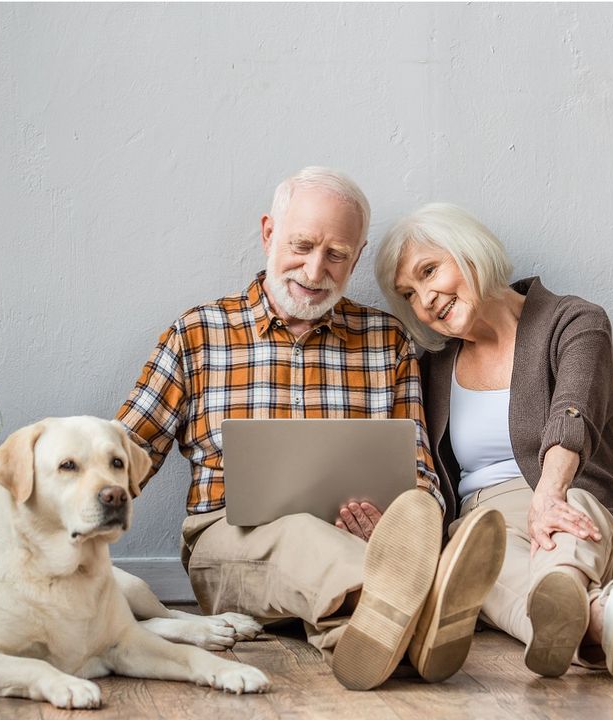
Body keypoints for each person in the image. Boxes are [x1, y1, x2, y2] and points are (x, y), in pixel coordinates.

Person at [116, 169, 506, 691]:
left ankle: (377, 637)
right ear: (268, 233)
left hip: (357, 545)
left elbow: (418, 466)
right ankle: (425, 602)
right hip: (228, 544)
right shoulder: (198, 334)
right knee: (299, 533)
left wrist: (397, 519)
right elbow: (120, 454)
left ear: (358, 256)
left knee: (373, 548)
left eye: (337, 255)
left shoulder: (385, 340)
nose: (316, 269)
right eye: (302, 245)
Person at [371, 202, 613, 680]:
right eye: (409, 293)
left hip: (578, 497)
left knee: (571, 516)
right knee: (471, 557)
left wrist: (549, 495)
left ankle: (570, 607)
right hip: (485, 520)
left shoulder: (574, 321)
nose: (425, 300)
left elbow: (575, 412)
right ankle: (603, 618)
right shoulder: (432, 366)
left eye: (429, 271)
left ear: (470, 251)